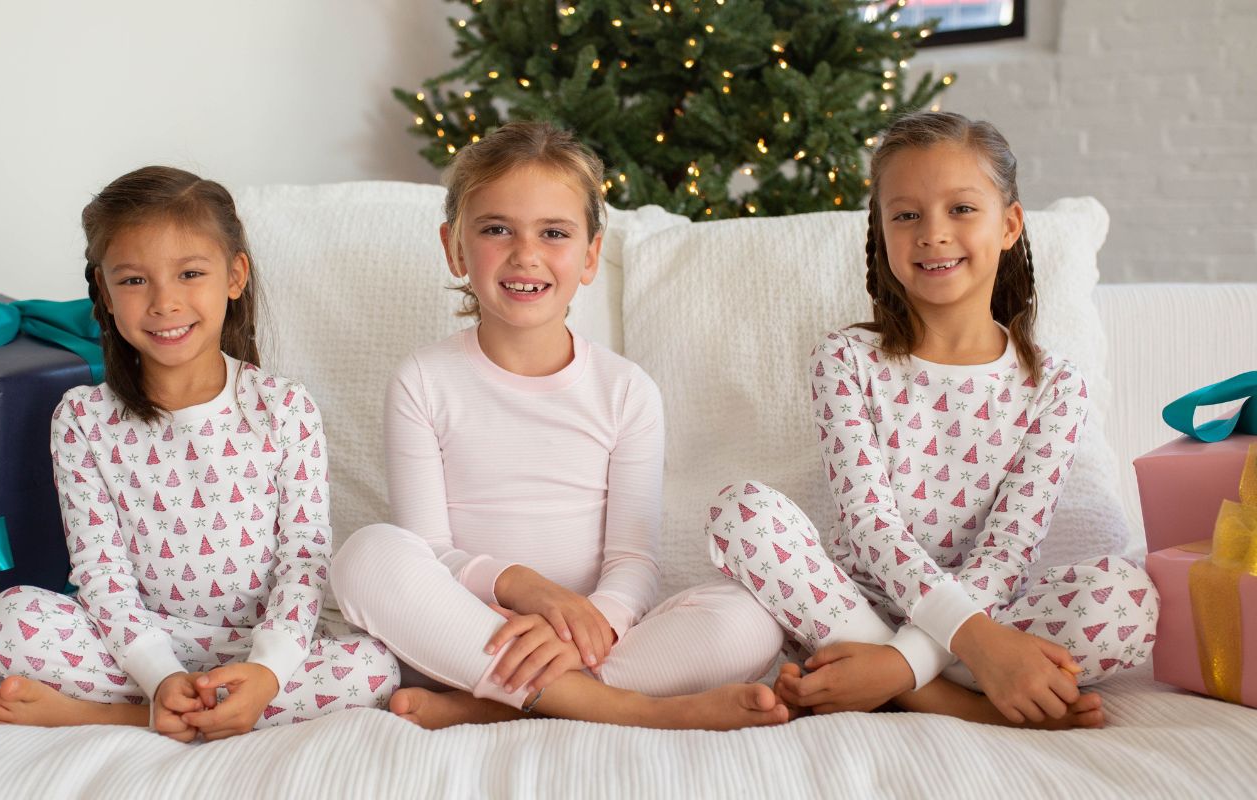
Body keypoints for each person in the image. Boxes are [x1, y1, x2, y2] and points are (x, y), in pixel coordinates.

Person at [330, 121, 789, 731]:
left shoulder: (625, 391)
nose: (526, 254)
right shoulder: (423, 380)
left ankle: (498, 703)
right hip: (467, 637)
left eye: (554, 233)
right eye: (497, 229)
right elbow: (429, 552)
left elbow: (633, 560)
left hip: (592, 643)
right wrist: (527, 589)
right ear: (455, 248)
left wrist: (584, 632)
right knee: (366, 555)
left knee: (750, 619)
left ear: (592, 254)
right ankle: (622, 709)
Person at [710, 111, 1157, 729]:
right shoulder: (845, 360)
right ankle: (961, 702)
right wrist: (962, 650)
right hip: (861, 610)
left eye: (962, 210)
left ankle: (881, 679)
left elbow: (1007, 552)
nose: (932, 233)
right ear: (882, 232)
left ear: (1010, 224)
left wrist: (906, 662)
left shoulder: (1055, 386)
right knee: (742, 511)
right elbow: (871, 528)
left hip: (991, 612)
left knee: (1129, 601)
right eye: (907, 214)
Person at [0, 166, 398, 741]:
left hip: (254, 644)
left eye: (190, 273)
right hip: (141, 639)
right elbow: (100, 571)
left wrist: (267, 670)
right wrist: (157, 673)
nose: (164, 302)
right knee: (9, 624)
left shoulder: (283, 407)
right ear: (103, 289)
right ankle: (163, 706)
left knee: (372, 668)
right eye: (133, 281)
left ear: (234, 276)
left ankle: (129, 714)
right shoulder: (82, 418)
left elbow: (305, 556)